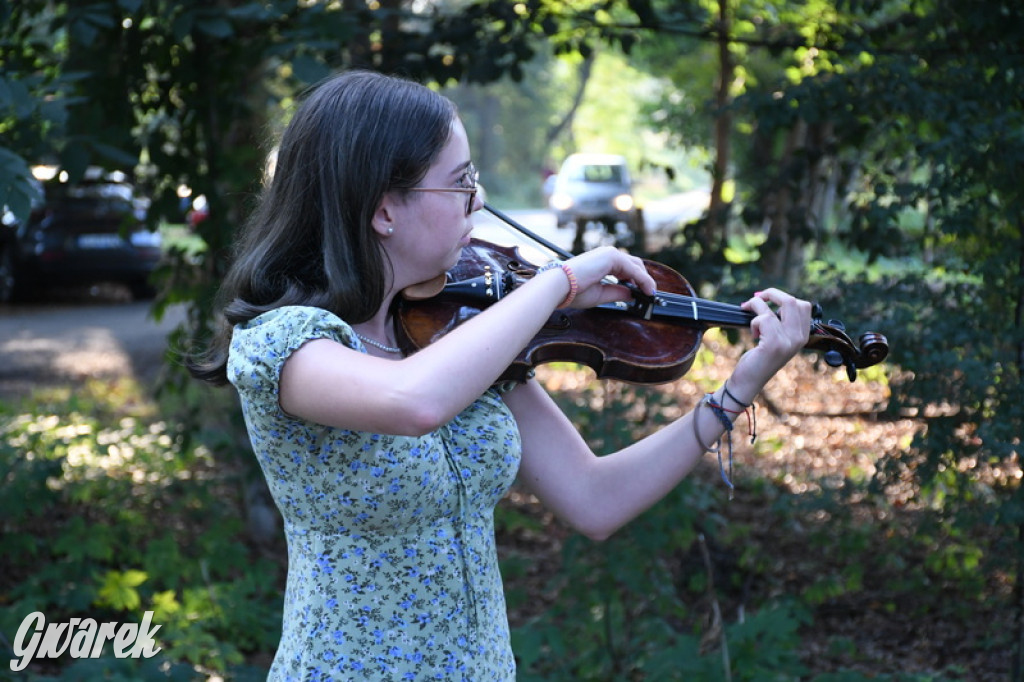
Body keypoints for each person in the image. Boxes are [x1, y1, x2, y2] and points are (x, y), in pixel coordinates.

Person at [187, 69, 812, 681]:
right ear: (383, 211)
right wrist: (558, 282)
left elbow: (595, 499)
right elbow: (413, 402)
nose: (478, 201)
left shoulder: (454, 336)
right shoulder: (284, 345)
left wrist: (737, 390)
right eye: (460, 183)